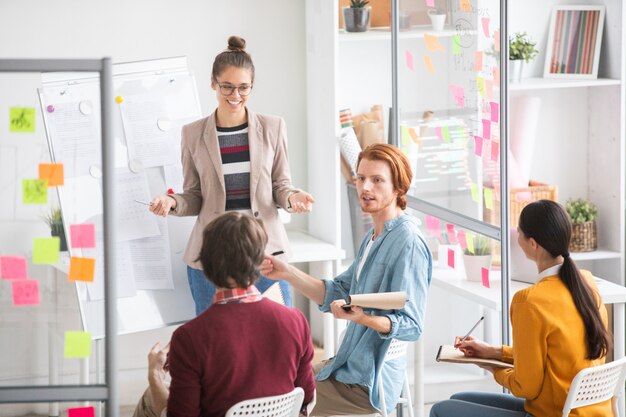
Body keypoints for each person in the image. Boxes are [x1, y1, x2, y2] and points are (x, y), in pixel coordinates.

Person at [261, 143, 432, 416]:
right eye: (361, 178)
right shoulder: (375, 236)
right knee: (270, 381)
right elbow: (337, 292)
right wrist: (287, 272)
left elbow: (412, 326)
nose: (365, 188)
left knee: (275, 399)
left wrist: (362, 318)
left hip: (364, 385)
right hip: (345, 366)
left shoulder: (407, 242)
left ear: (399, 188)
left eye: (377, 180)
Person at [149, 35, 314, 315]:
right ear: (213, 83)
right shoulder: (193, 134)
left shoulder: (273, 127)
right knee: (213, 343)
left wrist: (293, 198)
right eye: (226, 87)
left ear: (252, 87)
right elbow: (194, 195)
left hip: (264, 252)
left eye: (243, 88)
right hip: (212, 257)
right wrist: (173, 203)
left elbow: (281, 185)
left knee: (278, 332)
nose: (235, 96)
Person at [430, 200, 612, 417]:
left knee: (440, 410)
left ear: (533, 244)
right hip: (585, 411)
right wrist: (494, 352)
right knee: (456, 401)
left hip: (552, 413)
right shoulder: (587, 283)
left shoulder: (530, 301)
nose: (516, 237)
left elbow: (526, 387)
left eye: (519, 232)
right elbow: (548, 358)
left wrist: (492, 367)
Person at [132, 212, 316, 417]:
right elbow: (306, 397)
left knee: (151, 395)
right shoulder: (296, 321)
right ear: (261, 260)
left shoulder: (189, 337)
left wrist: (154, 375)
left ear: (205, 265)